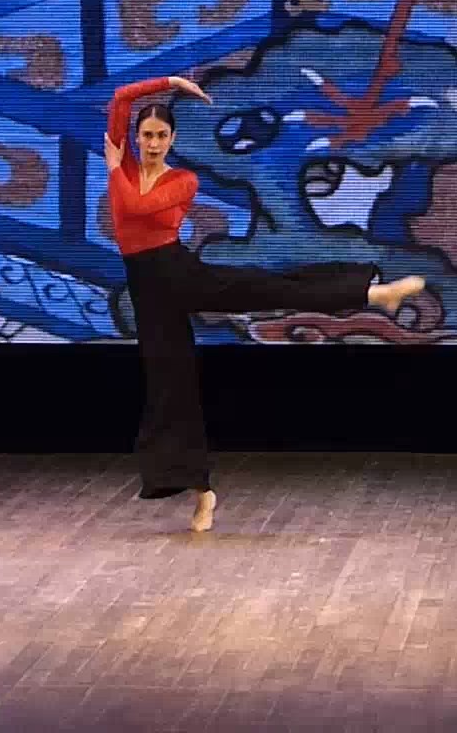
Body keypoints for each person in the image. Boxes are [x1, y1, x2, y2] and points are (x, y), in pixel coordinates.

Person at [103, 74, 426, 532]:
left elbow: (136, 208)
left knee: (273, 289)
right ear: (136, 137)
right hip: (148, 290)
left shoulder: (182, 180)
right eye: (146, 135)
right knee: (167, 387)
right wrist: (172, 82)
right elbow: (121, 97)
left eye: (161, 136)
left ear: (172, 139)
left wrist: (113, 168)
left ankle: (373, 292)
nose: (153, 143)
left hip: (181, 274)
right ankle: (202, 492)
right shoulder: (128, 166)